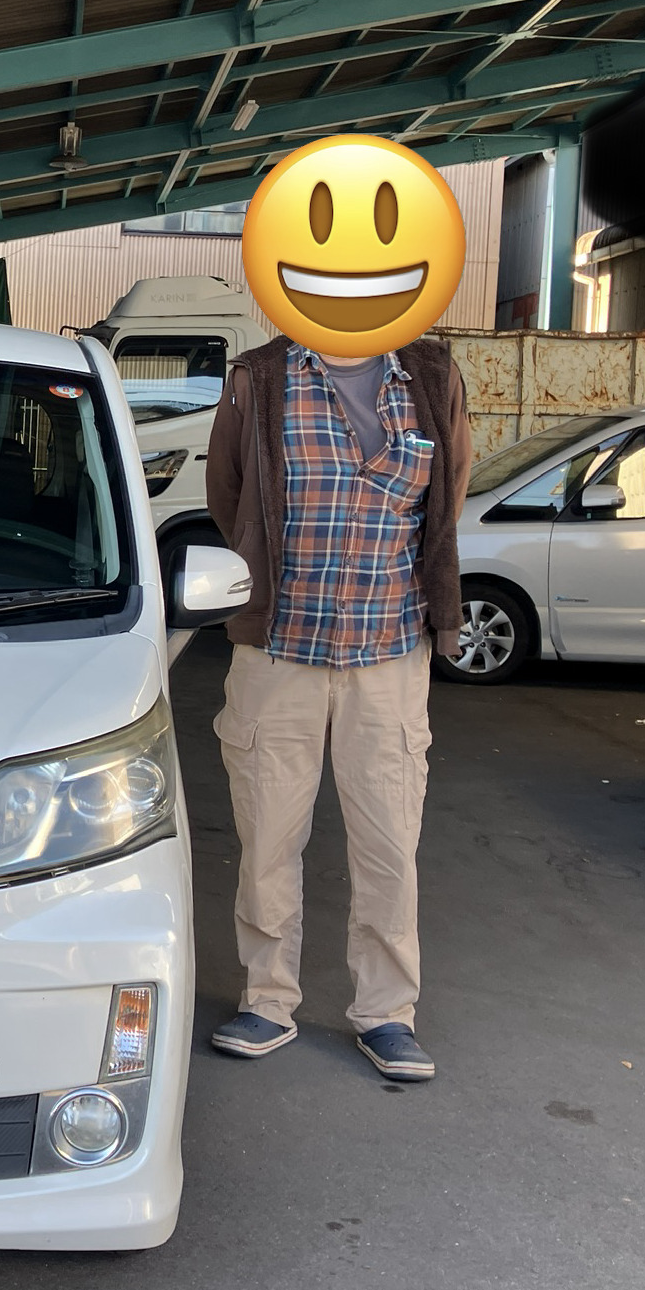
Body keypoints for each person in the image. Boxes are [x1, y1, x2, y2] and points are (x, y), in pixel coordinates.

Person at [202, 335, 470, 1082]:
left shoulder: (430, 374)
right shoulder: (259, 376)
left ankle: (388, 1013)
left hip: (389, 654)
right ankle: (266, 998)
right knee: (267, 837)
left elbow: (446, 498)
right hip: (278, 651)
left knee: (390, 842)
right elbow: (228, 495)